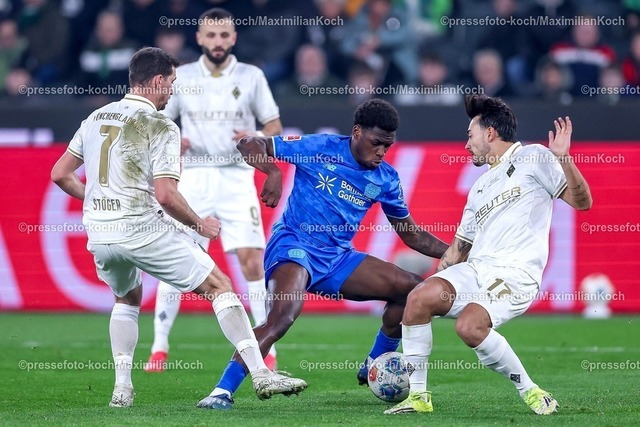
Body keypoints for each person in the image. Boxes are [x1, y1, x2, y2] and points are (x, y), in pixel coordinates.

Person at [50, 46, 307, 408]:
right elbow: (166, 195)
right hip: (141, 229)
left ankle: (122, 390)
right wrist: (200, 224)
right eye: (171, 83)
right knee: (219, 286)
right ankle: (261, 373)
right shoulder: (160, 125)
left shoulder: (95, 117)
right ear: (157, 81)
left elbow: (59, 174)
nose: (172, 91)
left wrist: (95, 199)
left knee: (127, 298)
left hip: (101, 234)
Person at [196, 98, 449, 410]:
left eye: (388, 146)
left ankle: (374, 362)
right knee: (281, 319)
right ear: (357, 132)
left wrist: (457, 251)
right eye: (376, 143)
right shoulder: (320, 147)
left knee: (411, 290)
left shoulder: (386, 178)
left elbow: (411, 234)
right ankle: (221, 391)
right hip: (294, 246)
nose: (382, 152)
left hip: (338, 258)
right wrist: (272, 172)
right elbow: (249, 143)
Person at [384, 95, 592, 415]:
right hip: (477, 269)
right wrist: (431, 286)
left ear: (490, 133)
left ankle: (531, 390)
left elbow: (582, 202)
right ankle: (418, 397)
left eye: (470, 135)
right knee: (419, 298)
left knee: (469, 327)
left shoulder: (533, 156)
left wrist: (564, 159)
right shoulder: (479, 188)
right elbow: (457, 250)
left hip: (516, 272)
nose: (467, 145)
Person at [145, 7, 281, 372]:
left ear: (233, 38)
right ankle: (159, 346)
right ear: (199, 38)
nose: (217, 42)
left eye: (224, 35)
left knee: (252, 260)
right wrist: (174, 141)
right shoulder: (184, 76)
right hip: (195, 175)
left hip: (237, 176)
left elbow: (274, 125)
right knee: (177, 257)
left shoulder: (251, 76)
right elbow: (158, 118)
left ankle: (266, 346)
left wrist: (256, 136)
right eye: (211, 35)